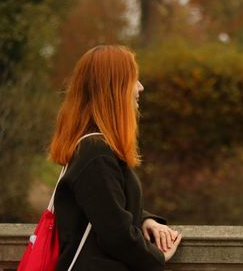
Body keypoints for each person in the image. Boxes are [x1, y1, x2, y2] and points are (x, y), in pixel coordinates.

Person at [49, 45, 182, 271]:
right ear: (114, 88)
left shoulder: (92, 147)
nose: (140, 87)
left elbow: (106, 207)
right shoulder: (96, 153)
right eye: (134, 79)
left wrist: (145, 220)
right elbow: (116, 235)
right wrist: (157, 256)